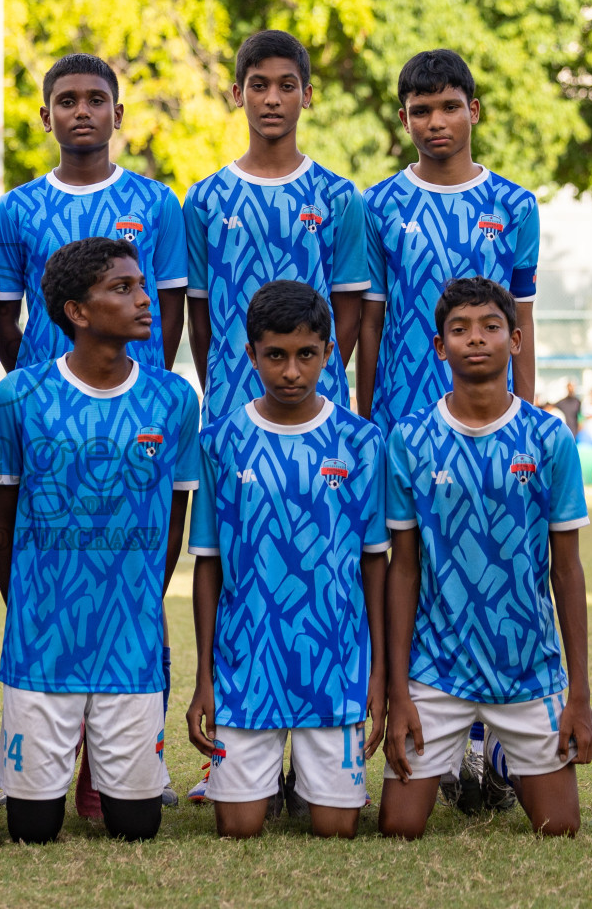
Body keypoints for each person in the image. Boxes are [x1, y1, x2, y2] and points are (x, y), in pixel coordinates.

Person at [0, 237, 198, 844]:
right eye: (122, 288)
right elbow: (0, 515)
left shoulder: (174, 398)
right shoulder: (20, 394)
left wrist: (142, 601)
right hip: (41, 644)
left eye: (142, 284)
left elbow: (174, 517)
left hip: (130, 644)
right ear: (77, 311)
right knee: (32, 829)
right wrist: (23, 602)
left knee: (136, 827)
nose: (144, 299)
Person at [379, 277, 592, 839]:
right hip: (437, 671)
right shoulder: (410, 439)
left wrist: (579, 696)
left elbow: (567, 571)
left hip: (527, 668)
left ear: (515, 340)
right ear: (439, 346)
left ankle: (502, 757)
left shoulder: (549, 438)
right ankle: (466, 746)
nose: (475, 339)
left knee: (559, 828)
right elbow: (403, 569)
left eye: (490, 327)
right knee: (400, 826)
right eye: (459, 329)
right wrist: (399, 694)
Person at [184, 280, 388, 839]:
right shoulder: (221, 441)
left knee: (336, 829)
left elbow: (374, 562)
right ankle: (263, 781)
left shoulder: (362, 442)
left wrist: (377, 673)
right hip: (247, 667)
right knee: (239, 829)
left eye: (306, 355)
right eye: (275, 355)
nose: (291, 371)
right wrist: (205, 676)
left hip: (335, 665)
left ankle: (308, 784)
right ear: (251, 354)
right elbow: (209, 565)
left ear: (328, 353)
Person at [184, 29, 368, 422]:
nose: (272, 99)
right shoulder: (205, 198)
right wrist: (221, 381)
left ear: (307, 96)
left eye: (287, 86)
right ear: (237, 94)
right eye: (258, 85)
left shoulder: (338, 196)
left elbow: (348, 311)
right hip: (230, 404)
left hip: (318, 404)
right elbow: (200, 316)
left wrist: (315, 372)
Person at [357, 50, 540, 437]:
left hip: (493, 416)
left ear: (473, 110)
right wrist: (368, 423)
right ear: (405, 120)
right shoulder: (377, 204)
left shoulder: (515, 205)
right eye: (421, 111)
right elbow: (370, 322)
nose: (437, 122)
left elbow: (522, 319)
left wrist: (526, 420)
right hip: (401, 415)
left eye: (450, 107)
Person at [0, 54, 187, 374]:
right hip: (47, 400)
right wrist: (32, 381)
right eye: (67, 102)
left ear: (117, 113)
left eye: (96, 100)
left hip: (137, 397)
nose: (82, 111)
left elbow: (171, 309)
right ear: (47, 117)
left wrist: (152, 380)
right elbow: (2, 318)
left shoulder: (157, 201)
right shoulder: (15, 209)